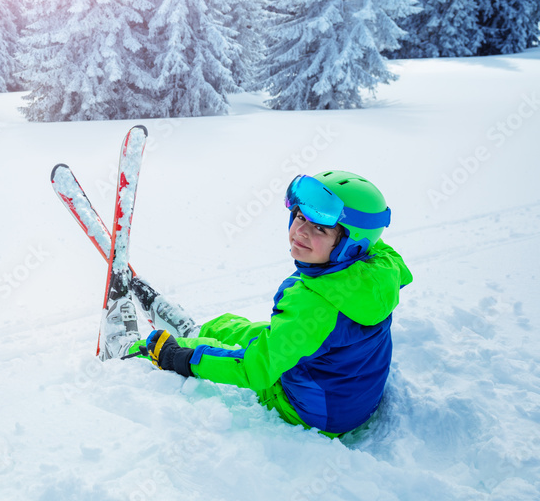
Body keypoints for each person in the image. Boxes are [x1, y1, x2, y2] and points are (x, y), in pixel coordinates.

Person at [107, 170, 412, 436]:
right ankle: (207, 330)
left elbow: (257, 371)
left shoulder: (313, 303)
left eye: (320, 228)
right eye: (300, 216)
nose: (300, 231)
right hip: (347, 396)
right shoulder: (379, 266)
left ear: (352, 244)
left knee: (231, 353)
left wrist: (178, 358)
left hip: (311, 413)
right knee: (243, 329)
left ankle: (137, 350)